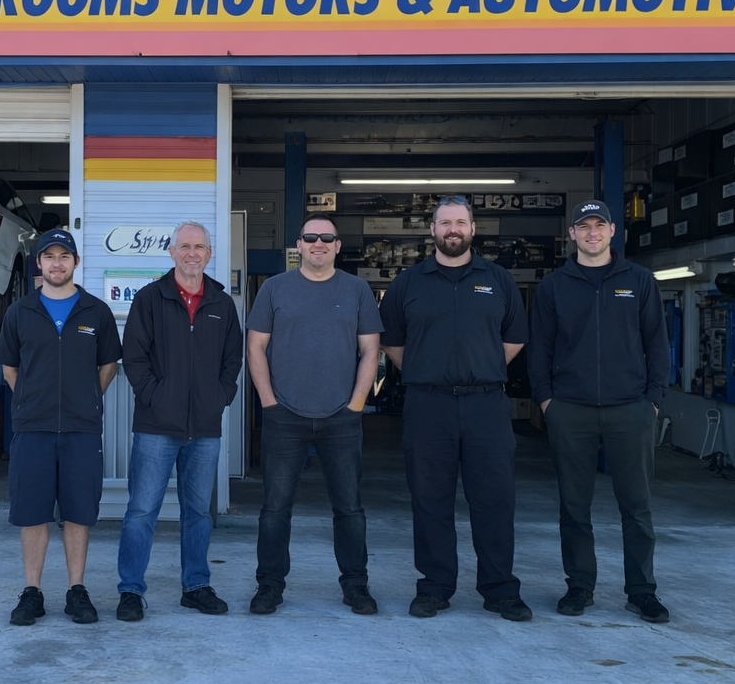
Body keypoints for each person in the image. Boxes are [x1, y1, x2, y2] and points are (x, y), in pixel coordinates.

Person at [379, 196, 532, 621]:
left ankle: (501, 589)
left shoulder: (498, 279)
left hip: (487, 404)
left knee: (495, 499)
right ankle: (434, 586)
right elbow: (391, 340)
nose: (452, 230)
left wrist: (480, 366)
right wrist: (428, 369)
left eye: (460, 222)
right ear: (432, 230)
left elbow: (515, 337)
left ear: (472, 228)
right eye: (444, 223)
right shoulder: (408, 283)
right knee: (430, 499)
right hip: (428, 406)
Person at [528, 199, 671, 624]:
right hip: (570, 410)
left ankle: (642, 591)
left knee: (637, 506)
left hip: (631, 408)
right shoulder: (555, 286)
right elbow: (541, 347)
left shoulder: (639, 281)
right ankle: (579, 586)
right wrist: (546, 400)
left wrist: (654, 398)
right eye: (583, 226)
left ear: (612, 231)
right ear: (571, 234)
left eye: (599, 225)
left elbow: (657, 343)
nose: (592, 232)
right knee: (574, 506)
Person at [245, 215, 383, 615]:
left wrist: (356, 404)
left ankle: (356, 586)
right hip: (284, 414)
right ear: (299, 245)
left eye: (327, 238)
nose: (318, 243)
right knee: (274, 509)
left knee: (350, 509)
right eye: (310, 237)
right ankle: (269, 586)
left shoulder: (356, 290)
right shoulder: (274, 288)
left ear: (338, 246)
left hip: (342, 417)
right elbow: (255, 348)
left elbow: (371, 351)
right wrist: (269, 402)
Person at [116, 221, 244, 621]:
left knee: (198, 513)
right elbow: (133, 359)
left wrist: (219, 398)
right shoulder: (150, 299)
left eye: (200, 247)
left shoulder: (222, 304)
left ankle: (196, 586)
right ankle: (131, 591)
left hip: (204, 428)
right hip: (156, 426)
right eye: (185, 246)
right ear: (172, 252)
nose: (192, 253)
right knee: (141, 511)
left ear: (209, 254)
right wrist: (156, 398)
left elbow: (232, 360)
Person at [0, 228, 121, 626]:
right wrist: (33, 400)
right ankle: (32, 592)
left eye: (63, 256)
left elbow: (108, 366)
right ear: (40, 264)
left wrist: (84, 399)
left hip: (82, 429)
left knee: (78, 512)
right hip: (33, 428)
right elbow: (10, 368)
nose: (56, 263)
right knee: (32, 513)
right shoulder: (20, 313)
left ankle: (76, 590)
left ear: (75, 263)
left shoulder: (96, 312)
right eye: (49, 256)